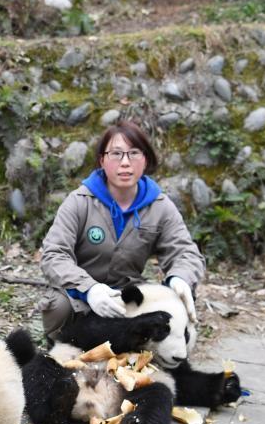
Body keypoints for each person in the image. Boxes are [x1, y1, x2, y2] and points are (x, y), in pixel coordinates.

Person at [38, 120, 205, 342]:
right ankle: (62, 344)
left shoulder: (160, 206)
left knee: (174, 304)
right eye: (116, 154)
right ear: (102, 160)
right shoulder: (79, 201)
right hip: (79, 299)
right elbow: (54, 254)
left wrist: (180, 278)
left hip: (127, 300)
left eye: (134, 153)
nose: (125, 163)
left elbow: (185, 252)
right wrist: (90, 289)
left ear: (145, 160)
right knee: (59, 306)